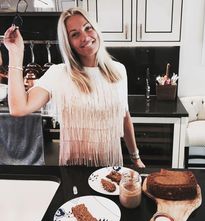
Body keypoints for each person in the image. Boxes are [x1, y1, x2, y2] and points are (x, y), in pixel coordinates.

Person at [3, 7, 145, 168]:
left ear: (96, 29)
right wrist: (15, 53)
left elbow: (124, 117)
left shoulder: (118, 70)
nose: (85, 37)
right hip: (74, 171)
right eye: (75, 34)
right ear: (68, 43)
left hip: (111, 169)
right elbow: (18, 108)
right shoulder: (58, 74)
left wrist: (135, 157)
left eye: (88, 28)